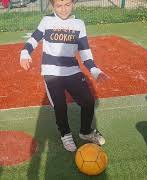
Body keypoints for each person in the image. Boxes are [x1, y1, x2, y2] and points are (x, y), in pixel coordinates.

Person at [19, 0, 109, 152]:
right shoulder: (47, 21)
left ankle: (86, 132)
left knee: (88, 101)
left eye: (67, 4)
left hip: (72, 70)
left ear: (73, 4)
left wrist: (95, 71)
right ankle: (65, 134)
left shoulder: (79, 24)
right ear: (52, 6)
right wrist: (24, 53)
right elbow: (33, 39)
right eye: (59, 6)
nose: (63, 9)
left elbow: (85, 51)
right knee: (60, 105)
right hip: (51, 72)